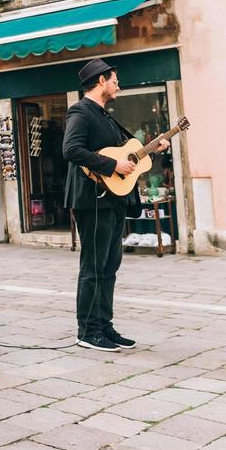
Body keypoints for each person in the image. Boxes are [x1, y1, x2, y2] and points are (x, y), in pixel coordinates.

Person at [63, 58, 169, 352]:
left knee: (110, 265)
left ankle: (104, 326)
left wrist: (152, 148)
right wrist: (112, 165)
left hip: (113, 199)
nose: (118, 84)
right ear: (100, 81)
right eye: (114, 79)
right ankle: (87, 330)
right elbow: (71, 149)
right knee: (94, 266)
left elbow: (128, 156)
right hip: (93, 199)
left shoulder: (105, 115)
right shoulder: (80, 111)